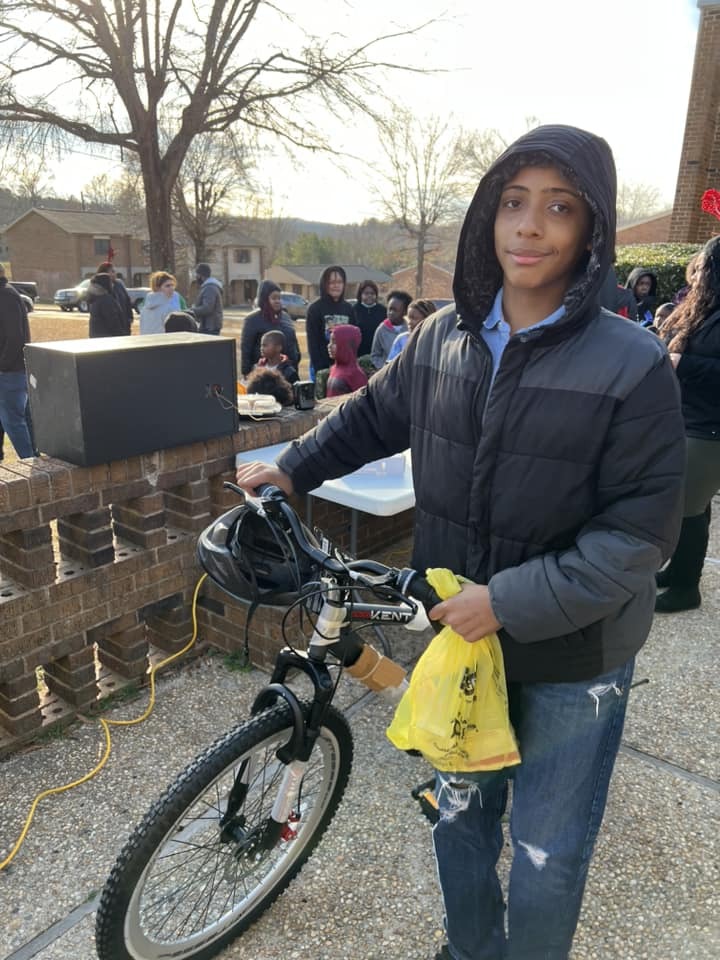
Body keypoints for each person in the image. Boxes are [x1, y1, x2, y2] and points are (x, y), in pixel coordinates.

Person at [235, 123, 686, 960]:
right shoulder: (443, 334)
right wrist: (292, 467)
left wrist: (505, 602)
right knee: (462, 820)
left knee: (548, 857)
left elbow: (638, 535)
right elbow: (373, 414)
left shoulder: (632, 363)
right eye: (513, 203)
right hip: (459, 643)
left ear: (591, 229)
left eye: (558, 207)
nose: (529, 226)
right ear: (488, 215)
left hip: (573, 660)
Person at [654, 235, 720, 613]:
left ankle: (685, 588)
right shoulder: (702, 310)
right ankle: (679, 571)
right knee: (695, 506)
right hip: (690, 420)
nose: (694, 274)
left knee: (686, 510)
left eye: (701, 268)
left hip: (710, 430)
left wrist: (684, 364)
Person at [0, 264, 34, 458]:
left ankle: (31, 463)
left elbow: (15, 337)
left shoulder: (5, 296)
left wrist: (2, 366)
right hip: (10, 371)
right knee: (16, 419)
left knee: (14, 421)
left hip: (10, 372)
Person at [240, 281, 301, 379]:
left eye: (279, 298)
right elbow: (246, 350)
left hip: (287, 372)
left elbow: (294, 341)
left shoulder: (285, 317)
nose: (277, 301)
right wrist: (247, 374)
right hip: (264, 375)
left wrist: (296, 357)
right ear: (264, 299)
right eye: (273, 298)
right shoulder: (252, 320)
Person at [305, 265, 354, 377]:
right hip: (321, 367)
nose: (336, 285)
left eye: (340, 282)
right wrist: (321, 370)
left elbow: (353, 341)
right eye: (331, 282)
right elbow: (313, 344)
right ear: (324, 284)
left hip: (344, 367)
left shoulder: (349, 309)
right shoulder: (315, 309)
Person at [370, 289, 412, 368]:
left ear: (404, 312)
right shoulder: (381, 330)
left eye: (395, 310)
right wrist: (384, 367)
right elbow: (375, 355)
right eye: (390, 309)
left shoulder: (410, 328)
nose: (391, 313)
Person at [326, 324, 368, 397]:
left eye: (334, 342)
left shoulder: (356, 375)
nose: (329, 346)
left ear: (346, 345)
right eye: (330, 342)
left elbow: (363, 403)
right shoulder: (334, 369)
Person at [97, 260, 133, 334]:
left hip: (124, 325)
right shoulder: (99, 288)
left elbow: (127, 301)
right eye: (112, 271)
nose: (114, 274)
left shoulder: (119, 284)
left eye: (114, 271)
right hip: (108, 330)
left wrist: (130, 318)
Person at [87, 272, 128, 338]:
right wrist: (122, 336)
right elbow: (113, 322)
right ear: (105, 283)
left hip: (96, 337)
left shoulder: (94, 297)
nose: (112, 284)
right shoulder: (106, 300)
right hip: (108, 339)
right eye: (110, 282)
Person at [351, 279, 386, 356]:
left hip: (378, 353)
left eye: (372, 293)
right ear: (360, 294)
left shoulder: (383, 311)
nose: (369, 295)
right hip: (358, 354)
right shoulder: (354, 310)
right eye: (366, 293)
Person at [192, 262, 224, 335]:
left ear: (200, 275)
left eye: (196, 274)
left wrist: (192, 311)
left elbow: (207, 308)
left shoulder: (210, 288)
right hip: (209, 326)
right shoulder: (208, 286)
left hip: (210, 327)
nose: (196, 277)